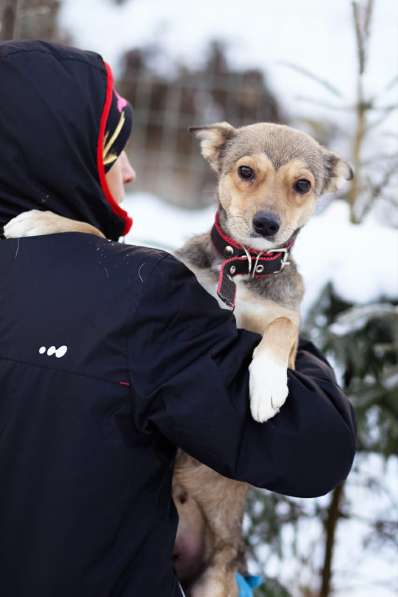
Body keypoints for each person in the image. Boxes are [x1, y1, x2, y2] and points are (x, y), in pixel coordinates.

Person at [0, 40, 356, 597]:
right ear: (64, 158)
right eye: (115, 152)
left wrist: (277, 328)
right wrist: (297, 348)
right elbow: (318, 448)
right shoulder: (143, 298)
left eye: (298, 187)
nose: (135, 172)